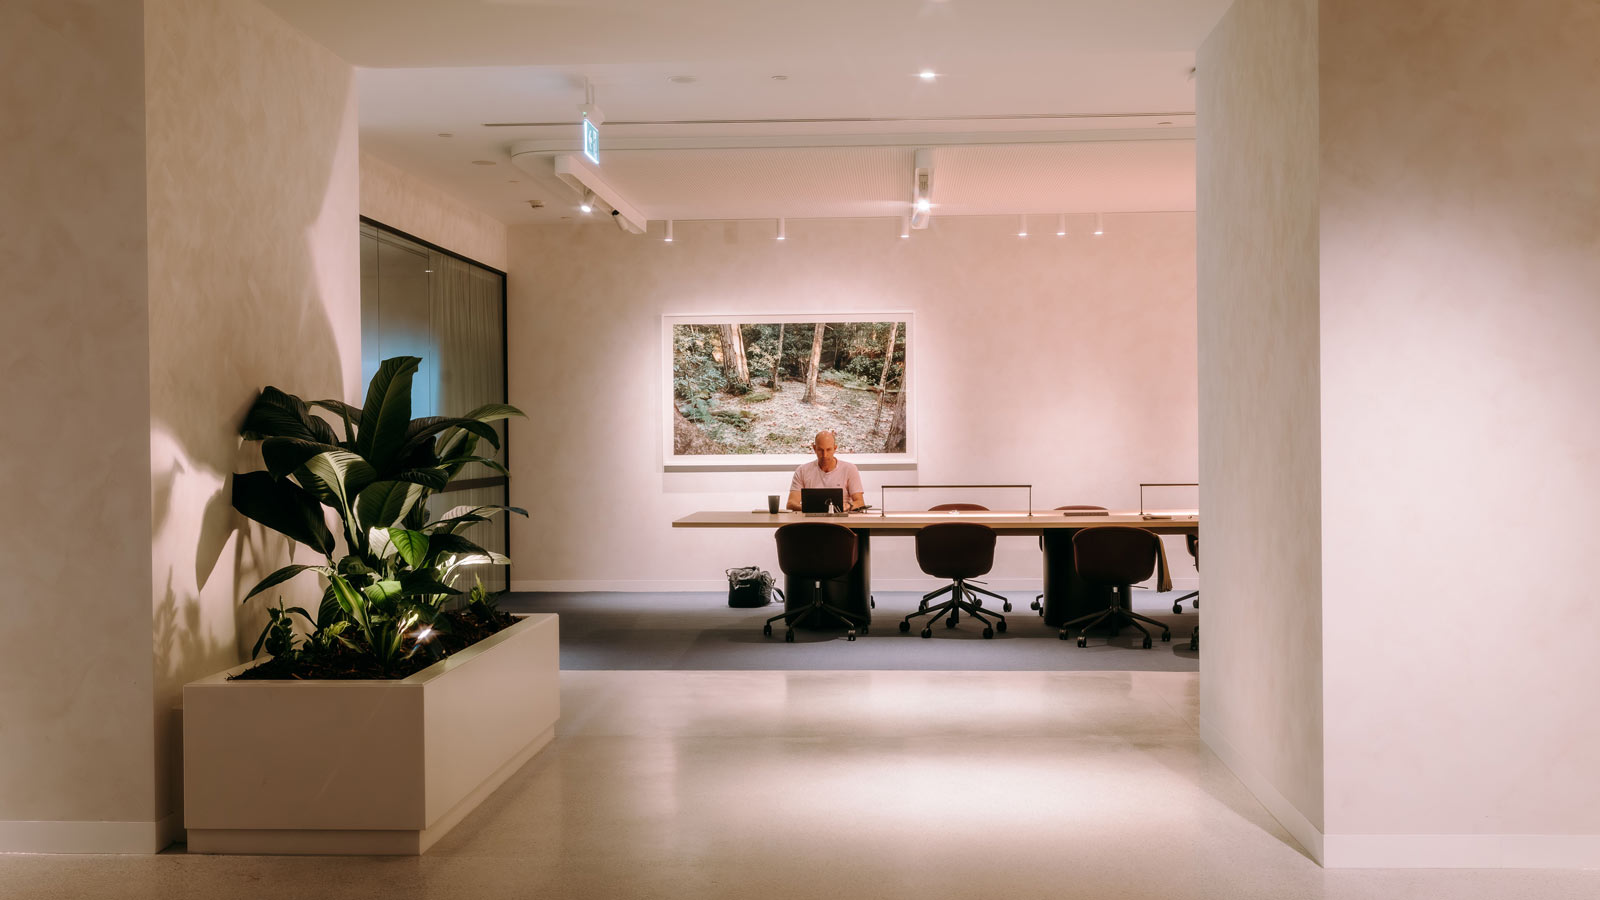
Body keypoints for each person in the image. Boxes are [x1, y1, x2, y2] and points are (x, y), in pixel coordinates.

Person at [786, 430, 865, 511]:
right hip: (811, 518)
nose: (824, 455)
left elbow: (860, 502)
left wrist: (847, 506)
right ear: (814, 448)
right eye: (820, 450)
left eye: (828, 450)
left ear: (835, 448)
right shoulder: (802, 470)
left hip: (840, 516)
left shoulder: (850, 469)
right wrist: (812, 508)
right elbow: (791, 504)